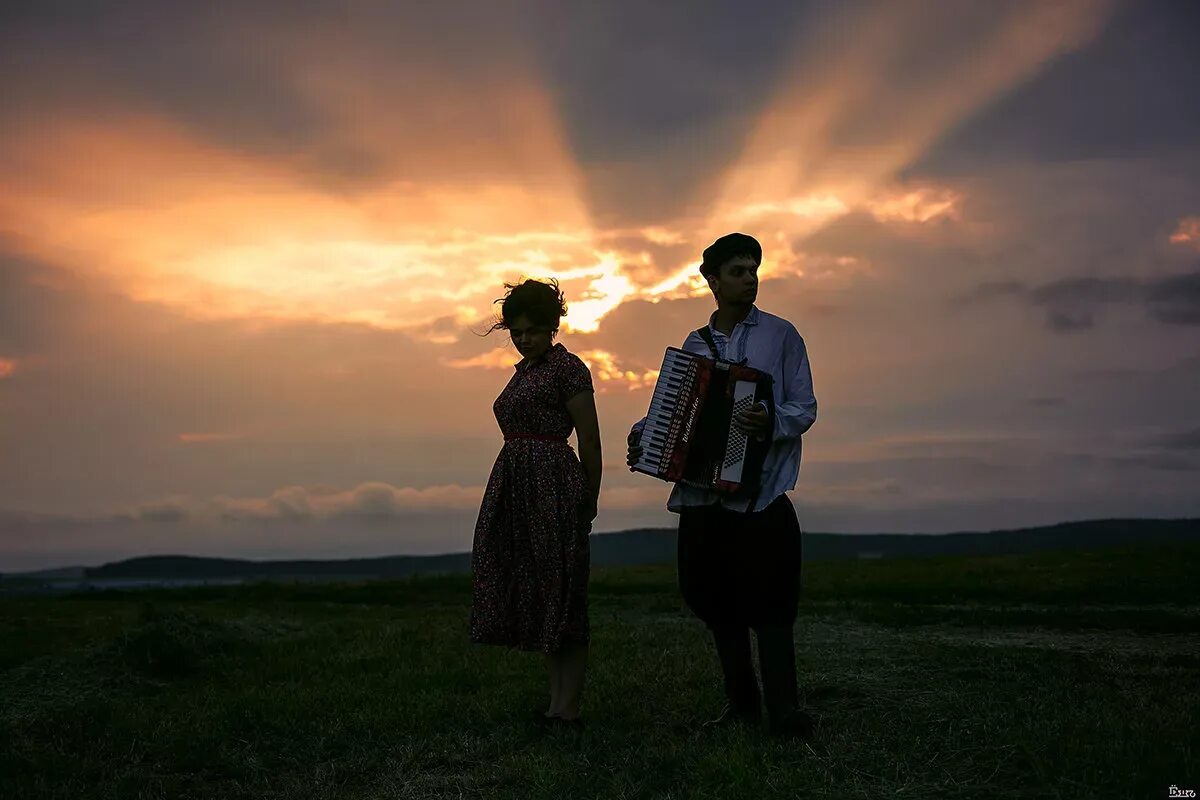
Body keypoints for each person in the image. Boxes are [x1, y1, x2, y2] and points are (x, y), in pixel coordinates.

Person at [626, 233, 817, 738]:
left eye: (753, 269)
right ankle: (742, 706)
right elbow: (675, 412)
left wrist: (768, 421)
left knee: (773, 608)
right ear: (712, 280)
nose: (748, 278)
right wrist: (645, 439)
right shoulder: (695, 345)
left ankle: (785, 713)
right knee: (715, 603)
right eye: (736, 270)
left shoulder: (782, 336)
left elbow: (804, 407)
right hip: (704, 501)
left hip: (762, 497)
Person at [470, 277, 602, 730]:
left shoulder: (569, 369)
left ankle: (570, 709)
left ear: (551, 326)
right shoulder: (524, 372)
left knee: (563, 588)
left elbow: (588, 436)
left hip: (554, 485)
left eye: (529, 330)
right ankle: (554, 705)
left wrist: (590, 497)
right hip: (517, 484)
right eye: (515, 332)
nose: (522, 339)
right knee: (540, 588)